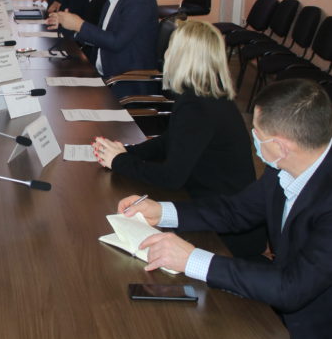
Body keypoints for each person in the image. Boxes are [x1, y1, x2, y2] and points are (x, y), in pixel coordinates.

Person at [120, 79, 332, 339]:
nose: (253, 136)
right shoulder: (290, 162)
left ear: (281, 146)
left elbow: (292, 288)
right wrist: (163, 211)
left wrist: (191, 259)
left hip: (328, 334)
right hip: (282, 296)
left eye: (257, 132)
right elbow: (235, 211)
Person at [93, 21, 266, 257]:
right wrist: (127, 151)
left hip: (224, 231)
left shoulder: (197, 107)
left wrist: (119, 161)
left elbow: (171, 177)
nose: (165, 54)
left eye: (170, 48)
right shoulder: (206, 94)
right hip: (214, 209)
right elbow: (170, 140)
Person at [46, 0, 158, 97]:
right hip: (103, 73)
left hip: (125, 82)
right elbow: (102, 36)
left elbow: (116, 42)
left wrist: (79, 25)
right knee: (55, 88)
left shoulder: (140, 0)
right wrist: (69, 26)